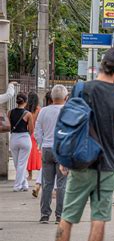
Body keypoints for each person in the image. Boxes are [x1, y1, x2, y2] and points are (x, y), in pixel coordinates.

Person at [54, 48, 114, 241]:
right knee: (99, 219)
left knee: (67, 217)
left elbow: (67, 125)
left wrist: (63, 159)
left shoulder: (81, 89)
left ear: (101, 64)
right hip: (105, 167)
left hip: (79, 163)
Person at [35, 85, 68, 224]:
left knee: (47, 183)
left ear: (52, 98)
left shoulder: (43, 111)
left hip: (47, 148)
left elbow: (37, 131)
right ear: (66, 98)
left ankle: (44, 215)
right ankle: (59, 215)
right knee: (62, 184)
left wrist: (41, 144)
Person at [8, 92, 34, 192]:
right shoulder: (28, 114)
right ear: (26, 102)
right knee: (22, 164)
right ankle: (18, 185)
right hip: (24, 138)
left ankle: (24, 184)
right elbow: (31, 130)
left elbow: (9, 126)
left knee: (17, 163)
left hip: (14, 138)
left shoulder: (10, 112)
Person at [26, 91, 42, 180]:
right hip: (37, 134)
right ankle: (40, 176)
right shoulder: (39, 110)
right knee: (39, 155)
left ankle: (30, 175)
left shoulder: (25, 110)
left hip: (28, 134)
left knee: (29, 156)